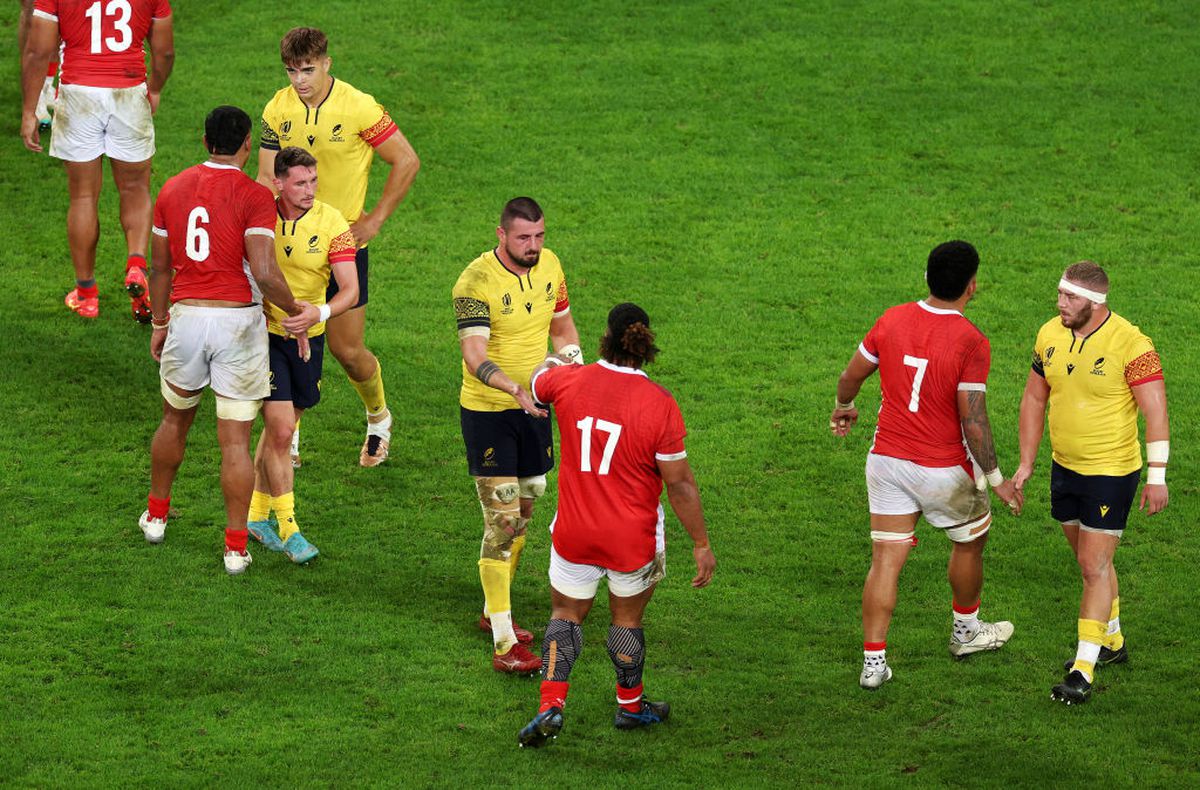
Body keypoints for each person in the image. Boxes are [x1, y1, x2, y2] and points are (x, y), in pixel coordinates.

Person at [517, 303, 715, 748]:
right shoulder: (659, 404)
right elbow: (679, 484)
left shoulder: (570, 381)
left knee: (566, 615)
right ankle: (630, 706)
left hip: (575, 532)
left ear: (605, 338)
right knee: (626, 619)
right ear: (645, 345)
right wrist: (700, 542)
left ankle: (551, 705)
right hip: (631, 539)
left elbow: (535, 381)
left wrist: (558, 359)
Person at [831, 240, 1024, 690]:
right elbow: (972, 419)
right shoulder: (971, 340)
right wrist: (996, 478)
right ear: (972, 287)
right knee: (970, 544)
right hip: (943, 470)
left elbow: (850, 376)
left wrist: (845, 406)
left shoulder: (892, 318)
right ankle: (966, 632)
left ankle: (873, 665)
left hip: (887, 462)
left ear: (926, 277)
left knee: (885, 561)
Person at [138, 106, 311, 575]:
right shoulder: (255, 195)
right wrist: (296, 313)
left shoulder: (171, 188)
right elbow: (265, 270)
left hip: (187, 320)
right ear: (247, 144)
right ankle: (236, 548)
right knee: (234, 444)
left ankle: (156, 516)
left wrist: (159, 322)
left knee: (173, 422)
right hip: (236, 324)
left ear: (204, 140)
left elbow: (158, 267)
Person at [257, 26, 420, 467]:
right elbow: (264, 179)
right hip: (289, 244)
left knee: (347, 351)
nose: (299, 80)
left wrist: (376, 219)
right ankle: (288, 436)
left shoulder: (359, 106)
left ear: (327, 63)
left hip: (340, 244)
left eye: (307, 69)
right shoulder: (278, 107)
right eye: (291, 71)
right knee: (286, 336)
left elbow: (406, 160)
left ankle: (378, 418)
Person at [1012, 261, 1169, 705]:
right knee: (1089, 561)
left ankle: (1083, 669)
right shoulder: (1049, 334)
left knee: (1092, 568)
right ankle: (1112, 641)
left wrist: (1156, 478)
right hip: (1066, 468)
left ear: (1096, 302)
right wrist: (1027, 463)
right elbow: (1034, 397)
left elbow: (1156, 413)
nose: (1061, 304)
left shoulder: (1133, 345)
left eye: (1071, 298)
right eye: (1060, 295)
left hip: (1112, 472)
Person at [453, 196, 583, 674]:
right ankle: (505, 644)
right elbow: (474, 353)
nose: (534, 246)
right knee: (503, 521)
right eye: (524, 238)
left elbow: (563, 329)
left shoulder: (551, 267)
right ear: (501, 235)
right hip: (490, 412)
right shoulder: (474, 282)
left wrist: (574, 373)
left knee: (529, 503)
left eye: (540, 236)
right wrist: (514, 388)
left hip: (537, 407)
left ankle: (493, 609)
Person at [21, 0, 174, 322]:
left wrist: (29, 110)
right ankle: (136, 264)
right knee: (135, 189)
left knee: (83, 196)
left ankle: (87, 294)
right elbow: (165, 53)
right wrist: (155, 88)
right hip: (129, 92)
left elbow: (38, 51)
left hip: (79, 95)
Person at [246, 147, 360, 565]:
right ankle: (290, 529)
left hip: (308, 337)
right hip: (265, 335)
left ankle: (257, 516)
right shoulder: (260, 214)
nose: (310, 190)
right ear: (278, 182)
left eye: (313, 181)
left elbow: (350, 288)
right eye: (300, 182)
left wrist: (319, 312)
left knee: (282, 427)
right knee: (279, 430)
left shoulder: (332, 223)